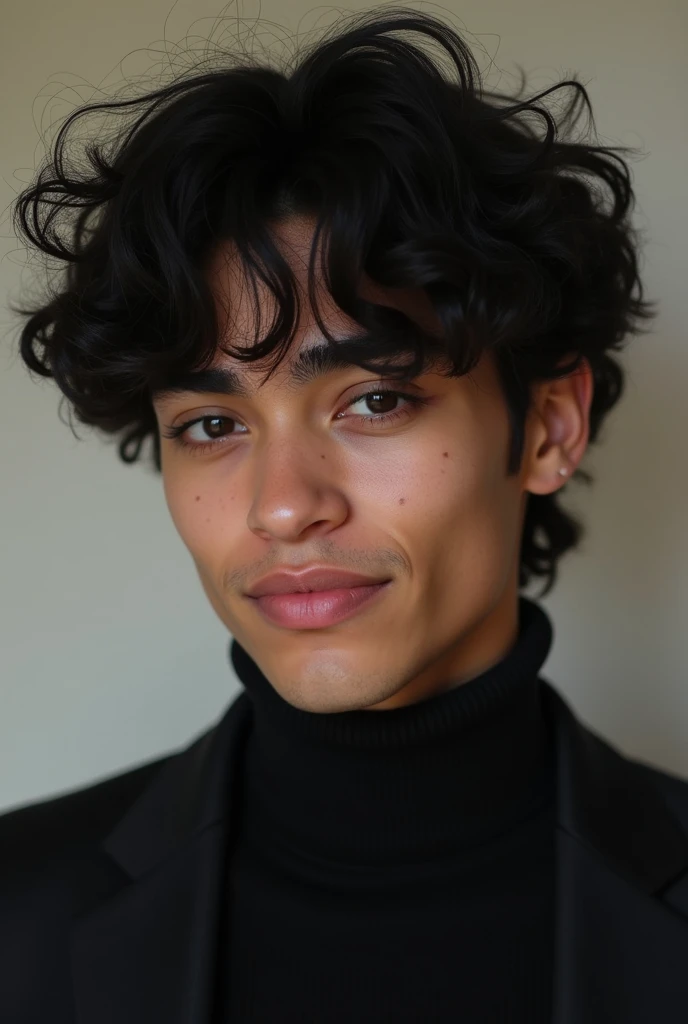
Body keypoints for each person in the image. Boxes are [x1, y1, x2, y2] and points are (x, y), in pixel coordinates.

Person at [2, 7, 687, 1022]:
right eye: (209, 423)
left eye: (374, 399)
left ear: (547, 425)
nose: (283, 505)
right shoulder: (17, 905)